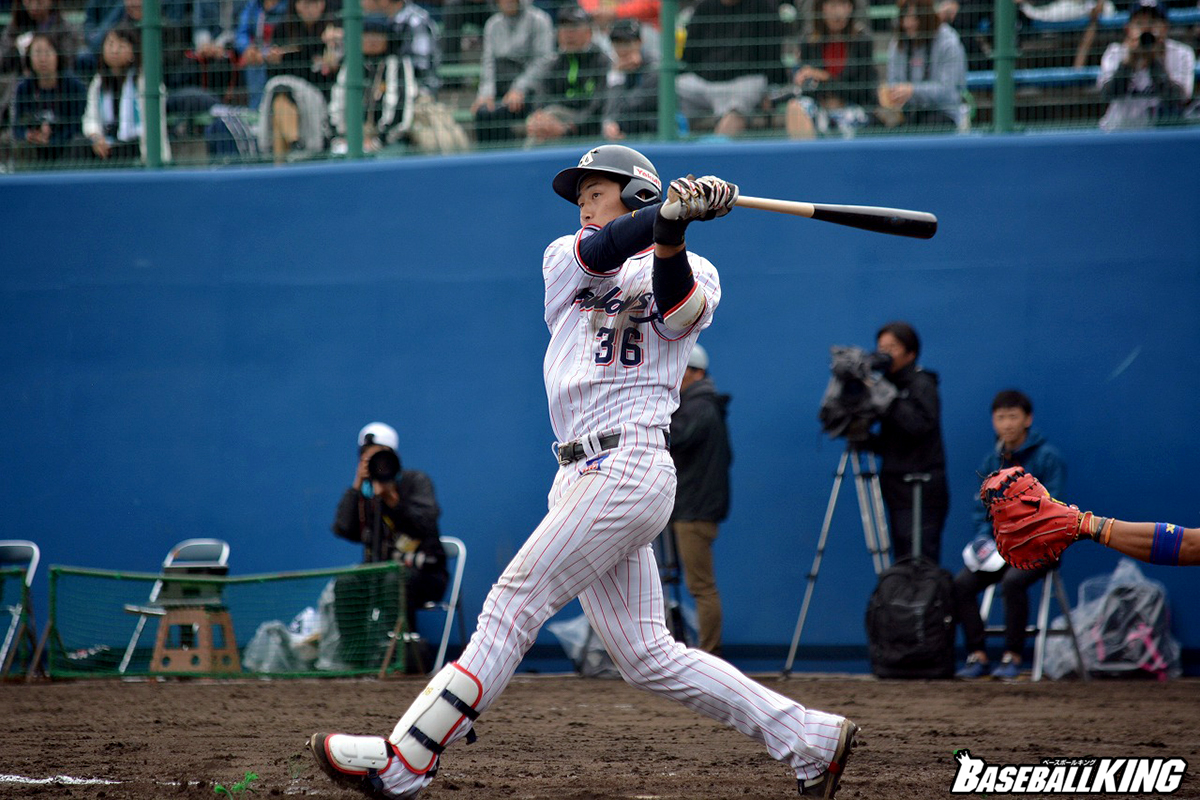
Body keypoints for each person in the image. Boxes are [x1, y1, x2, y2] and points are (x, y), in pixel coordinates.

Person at [308, 144, 859, 800]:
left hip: (626, 463)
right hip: (578, 470)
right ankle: (812, 740)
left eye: (595, 194)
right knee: (647, 655)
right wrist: (663, 218)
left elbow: (678, 312)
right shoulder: (564, 259)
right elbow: (600, 253)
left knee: (511, 603)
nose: (582, 208)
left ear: (634, 195)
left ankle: (407, 758)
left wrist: (674, 229)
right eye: (580, 198)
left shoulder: (696, 269)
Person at [953, 390, 1067, 681]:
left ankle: (1012, 657)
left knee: (1013, 582)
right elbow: (982, 510)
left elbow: (1055, 509)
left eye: (1013, 416)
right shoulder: (992, 458)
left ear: (1027, 419)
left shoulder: (1048, 457)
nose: (1007, 423)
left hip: (1041, 546)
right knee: (961, 585)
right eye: (1000, 417)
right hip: (1000, 548)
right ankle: (977, 656)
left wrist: (1024, 535)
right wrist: (984, 540)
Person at [331, 422, 448, 670]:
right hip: (379, 572)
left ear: (394, 456)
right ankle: (355, 658)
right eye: (366, 457)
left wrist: (391, 497)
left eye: (380, 455)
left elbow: (426, 524)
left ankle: (392, 656)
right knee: (346, 582)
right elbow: (343, 529)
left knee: (392, 581)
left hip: (425, 575)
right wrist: (357, 486)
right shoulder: (364, 493)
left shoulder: (415, 481)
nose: (375, 463)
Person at [667, 343, 732, 656]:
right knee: (701, 585)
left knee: (701, 586)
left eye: (679, 369)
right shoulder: (706, 405)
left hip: (694, 510)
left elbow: (673, 438)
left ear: (696, 372)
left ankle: (710, 654)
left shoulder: (699, 407)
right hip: (695, 508)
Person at [871, 320, 948, 564]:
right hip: (896, 489)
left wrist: (890, 401)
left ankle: (924, 603)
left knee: (921, 560)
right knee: (902, 559)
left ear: (910, 352)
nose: (884, 354)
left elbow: (919, 426)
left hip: (921, 490)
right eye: (881, 347)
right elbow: (889, 443)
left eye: (892, 347)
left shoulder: (922, 384)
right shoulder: (885, 387)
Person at [675, 0, 785, 137]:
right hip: (703, 84)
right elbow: (689, 57)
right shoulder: (704, 7)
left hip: (743, 84)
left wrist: (770, 90)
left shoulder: (763, 7)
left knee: (738, 107)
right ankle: (676, 151)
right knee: (670, 88)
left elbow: (772, 58)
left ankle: (715, 153)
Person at [258, 0, 341, 162]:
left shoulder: (334, 28)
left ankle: (285, 161)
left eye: (316, 3)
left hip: (320, 99)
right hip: (288, 95)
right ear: (295, 6)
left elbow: (330, 77)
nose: (311, 8)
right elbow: (275, 76)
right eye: (305, 3)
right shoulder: (283, 29)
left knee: (280, 97)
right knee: (280, 92)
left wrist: (336, 53)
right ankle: (296, 145)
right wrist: (273, 61)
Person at [77, 25, 172, 163]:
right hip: (107, 143)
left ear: (133, 51)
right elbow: (90, 118)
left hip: (135, 145)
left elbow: (151, 126)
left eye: (121, 45)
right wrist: (97, 138)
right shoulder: (98, 82)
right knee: (79, 144)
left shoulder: (145, 81)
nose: (114, 50)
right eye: (110, 44)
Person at [783, 0, 876, 139]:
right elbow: (807, 87)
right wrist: (801, 78)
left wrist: (825, 77)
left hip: (852, 108)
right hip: (820, 106)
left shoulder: (862, 41)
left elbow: (863, 90)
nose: (838, 13)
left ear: (850, 8)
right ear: (822, 9)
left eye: (843, 5)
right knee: (795, 107)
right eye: (833, 6)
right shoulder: (808, 41)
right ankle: (805, 159)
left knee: (848, 120)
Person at [1097, 0, 1194, 131]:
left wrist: (1154, 61)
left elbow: (1179, 99)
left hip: (1162, 134)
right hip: (1119, 131)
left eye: (1153, 23)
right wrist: (1128, 62)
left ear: (1165, 28)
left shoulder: (1182, 53)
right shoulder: (1115, 52)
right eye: (1139, 24)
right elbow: (1106, 95)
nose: (1146, 29)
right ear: (1128, 29)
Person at [522, 5, 610, 146]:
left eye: (574, 28)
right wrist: (539, 117)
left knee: (551, 115)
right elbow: (541, 96)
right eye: (563, 28)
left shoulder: (601, 61)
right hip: (554, 122)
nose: (568, 34)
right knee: (541, 122)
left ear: (589, 32)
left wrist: (568, 128)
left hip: (588, 125)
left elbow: (598, 107)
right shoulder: (554, 62)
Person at [875, 0, 967, 131]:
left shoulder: (949, 43)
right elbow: (893, 81)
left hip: (943, 113)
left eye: (914, 18)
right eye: (904, 17)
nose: (908, 23)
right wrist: (891, 95)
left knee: (929, 124)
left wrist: (912, 91)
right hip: (907, 113)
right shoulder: (898, 43)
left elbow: (949, 92)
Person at [470, 0, 554, 144]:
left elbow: (543, 60)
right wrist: (486, 93)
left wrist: (519, 88)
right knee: (483, 113)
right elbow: (488, 61)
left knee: (503, 114)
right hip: (501, 89)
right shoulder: (492, 24)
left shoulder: (540, 20)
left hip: (532, 91)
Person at [328, 15, 412, 153]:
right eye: (367, 35)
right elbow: (337, 104)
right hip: (350, 139)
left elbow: (400, 111)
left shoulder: (397, 64)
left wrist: (377, 141)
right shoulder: (349, 65)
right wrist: (342, 137)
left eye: (378, 35)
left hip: (390, 141)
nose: (372, 40)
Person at [10, 32, 87, 163]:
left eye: (47, 52)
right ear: (29, 58)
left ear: (57, 55)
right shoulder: (23, 88)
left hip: (65, 144)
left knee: (79, 143)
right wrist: (29, 135)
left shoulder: (74, 86)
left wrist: (52, 140)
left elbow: (77, 125)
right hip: (34, 146)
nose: (43, 59)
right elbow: (17, 126)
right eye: (37, 53)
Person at [601, 17, 658, 140]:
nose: (622, 50)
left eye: (627, 43)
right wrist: (609, 123)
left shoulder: (654, 67)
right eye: (617, 44)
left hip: (653, 135)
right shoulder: (614, 69)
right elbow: (605, 109)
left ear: (640, 42)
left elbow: (633, 106)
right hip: (623, 133)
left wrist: (615, 122)